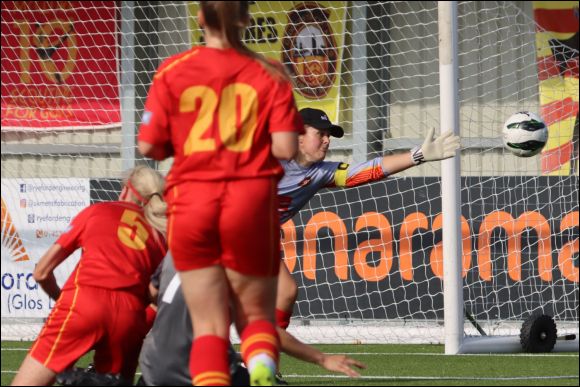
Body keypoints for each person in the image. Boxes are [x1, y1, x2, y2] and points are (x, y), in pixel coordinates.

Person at [137, 2, 302, 385]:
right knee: (256, 315)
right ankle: (261, 366)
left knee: (208, 324)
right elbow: (285, 148)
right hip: (249, 203)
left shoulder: (173, 71)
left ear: (200, 17)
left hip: (192, 203)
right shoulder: (271, 72)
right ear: (246, 18)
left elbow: (149, 148)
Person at [274, 107, 461, 334]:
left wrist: (417, 155)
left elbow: (366, 171)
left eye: (328, 136)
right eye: (320, 134)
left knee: (285, 292)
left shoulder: (321, 172)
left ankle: (261, 357)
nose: (327, 141)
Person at [11, 165, 168, 386]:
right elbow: (158, 299)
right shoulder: (161, 235)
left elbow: (41, 272)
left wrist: (63, 301)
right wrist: (137, 324)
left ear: (125, 190)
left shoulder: (97, 211)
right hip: (129, 317)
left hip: (83, 303)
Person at [137, 254, 365, 386]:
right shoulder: (233, 266)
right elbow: (261, 328)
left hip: (152, 365)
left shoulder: (175, 251)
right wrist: (321, 359)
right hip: (197, 369)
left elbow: (153, 293)